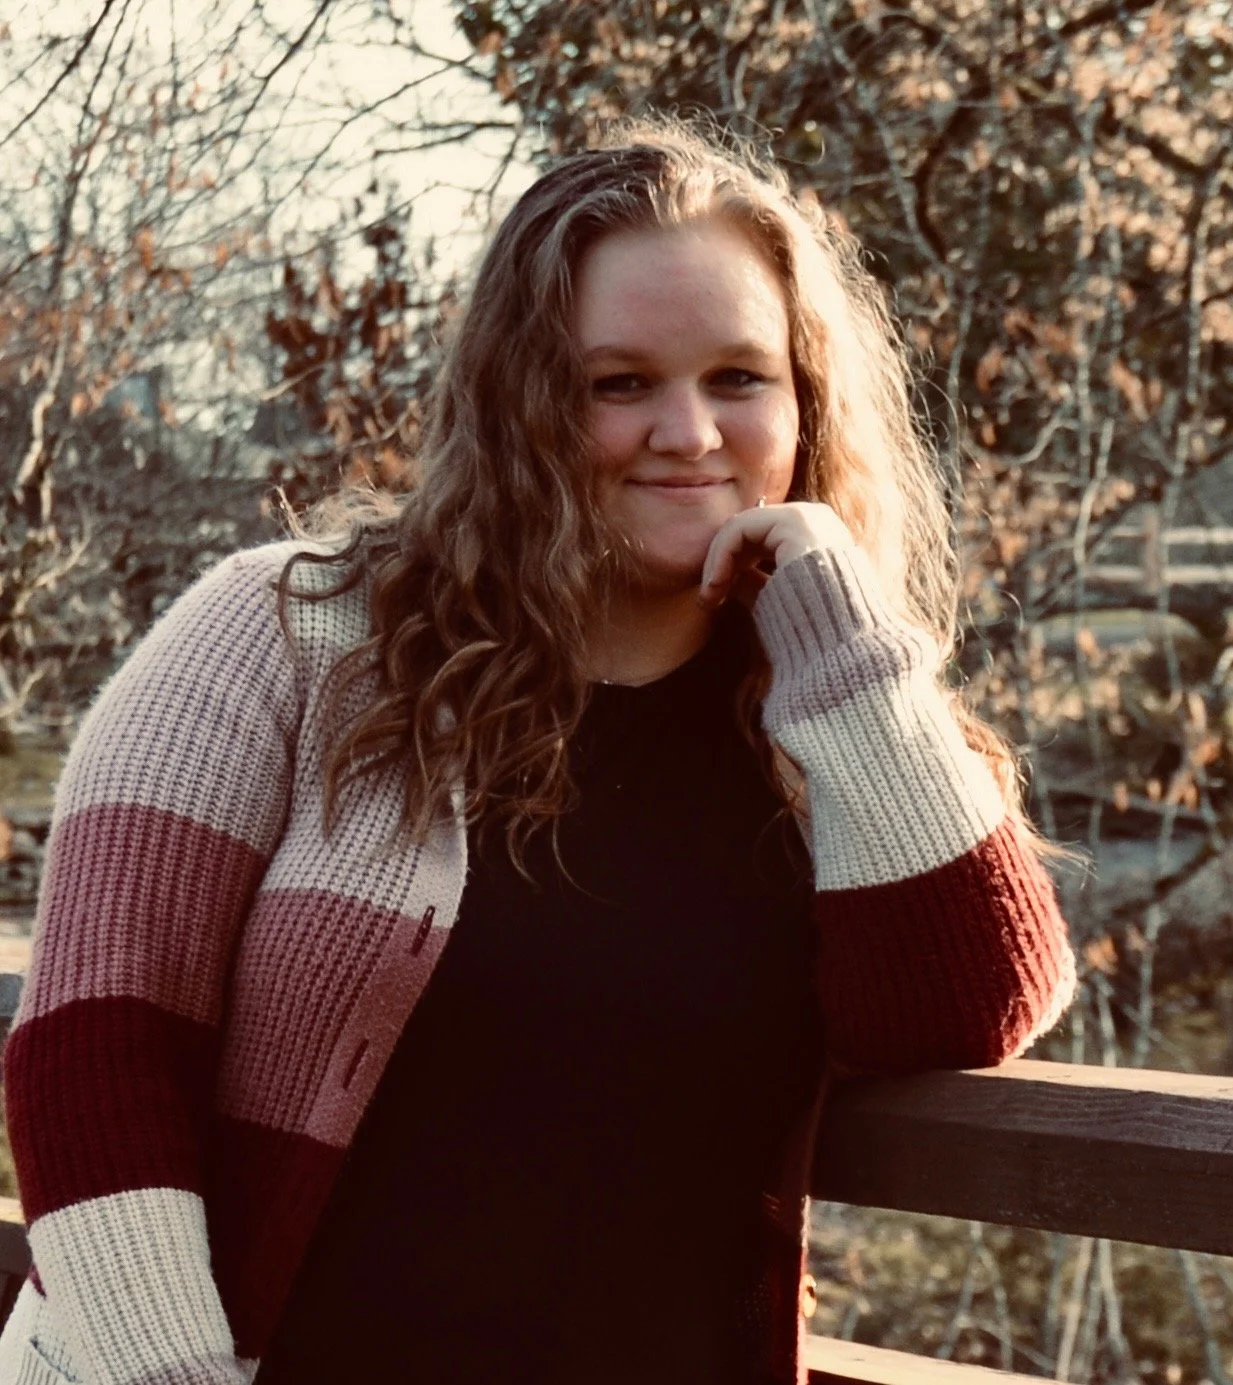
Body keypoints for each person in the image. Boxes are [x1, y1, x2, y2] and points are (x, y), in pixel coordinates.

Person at [0, 120, 1074, 1385]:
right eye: (617, 383)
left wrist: (839, 628)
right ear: (520, 399)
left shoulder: (826, 713)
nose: (690, 433)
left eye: (740, 377)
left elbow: (963, 1005)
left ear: (807, 399)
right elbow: (95, 1042)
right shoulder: (285, 632)